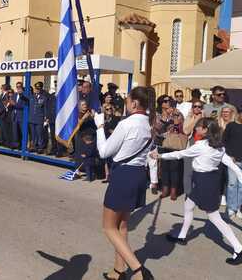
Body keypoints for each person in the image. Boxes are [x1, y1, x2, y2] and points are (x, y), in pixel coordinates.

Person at [150, 118, 242, 265]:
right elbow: (231, 164)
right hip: (206, 182)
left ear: (205, 130)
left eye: (198, 127)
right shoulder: (219, 146)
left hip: (204, 183)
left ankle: (238, 248)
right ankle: (182, 235)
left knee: (214, 217)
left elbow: (179, 154)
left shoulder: (202, 146)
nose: (196, 129)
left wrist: (160, 155)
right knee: (188, 205)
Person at [95, 86, 155, 280]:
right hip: (138, 175)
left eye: (128, 101)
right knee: (121, 225)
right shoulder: (149, 124)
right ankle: (118, 270)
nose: (126, 104)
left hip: (123, 175)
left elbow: (104, 152)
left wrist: (99, 128)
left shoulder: (127, 124)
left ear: (135, 103)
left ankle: (138, 270)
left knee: (108, 227)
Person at [224, 108, 242, 219]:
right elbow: (224, 141)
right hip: (233, 160)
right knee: (232, 184)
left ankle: (238, 208)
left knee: (241, 186)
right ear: (239, 114)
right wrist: (229, 155)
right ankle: (231, 208)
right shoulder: (231, 125)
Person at [28, 82, 48, 153]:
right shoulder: (31, 96)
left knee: (39, 134)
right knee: (33, 134)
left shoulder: (44, 98)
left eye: (38, 89)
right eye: (36, 89)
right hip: (32, 118)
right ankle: (34, 146)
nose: (37, 90)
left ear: (41, 89)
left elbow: (45, 108)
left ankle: (40, 147)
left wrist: (46, 117)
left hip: (39, 118)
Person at [10, 82, 27, 150]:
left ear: (22, 87)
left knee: (22, 131)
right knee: (15, 131)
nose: (18, 88)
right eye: (17, 87)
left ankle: (23, 146)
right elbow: (12, 103)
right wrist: (11, 104)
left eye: (19, 86)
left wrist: (14, 104)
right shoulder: (14, 95)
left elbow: (23, 106)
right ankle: (16, 144)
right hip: (14, 115)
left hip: (21, 115)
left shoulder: (24, 95)